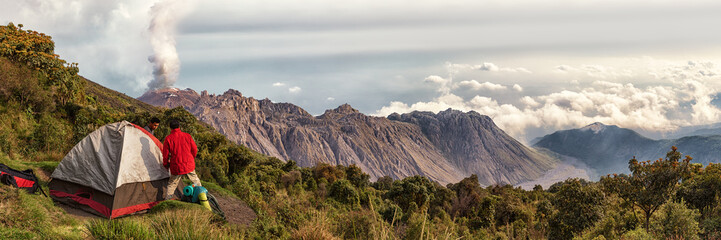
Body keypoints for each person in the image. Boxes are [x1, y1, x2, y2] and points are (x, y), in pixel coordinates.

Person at [162, 119, 201, 200]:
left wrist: (166, 164)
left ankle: (167, 200)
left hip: (176, 166)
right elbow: (194, 149)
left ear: (170, 128)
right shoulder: (187, 136)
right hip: (188, 164)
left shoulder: (168, 139)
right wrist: (191, 158)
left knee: (172, 184)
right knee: (195, 181)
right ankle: (201, 196)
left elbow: (165, 154)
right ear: (179, 126)